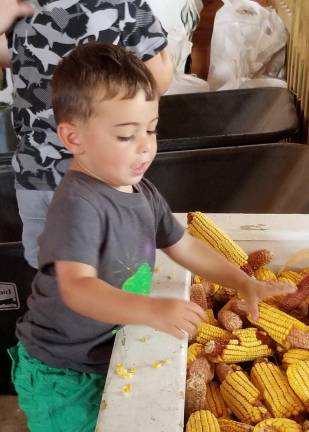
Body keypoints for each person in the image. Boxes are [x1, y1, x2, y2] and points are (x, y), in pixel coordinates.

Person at [9, 42, 295, 432]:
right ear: (74, 138)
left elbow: (185, 245)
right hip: (63, 369)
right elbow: (77, 288)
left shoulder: (141, 192)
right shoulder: (79, 206)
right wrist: (150, 310)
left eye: (151, 129)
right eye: (126, 135)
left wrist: (241, 280)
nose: (146, 145)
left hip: (107, 349)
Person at [0, 0, 173, 269]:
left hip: (34, 173)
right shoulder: (125, 6)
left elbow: (6, 56)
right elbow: (157, 81)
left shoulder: (24, 8)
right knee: (110, 270)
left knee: (48, 270)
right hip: (97, 173)